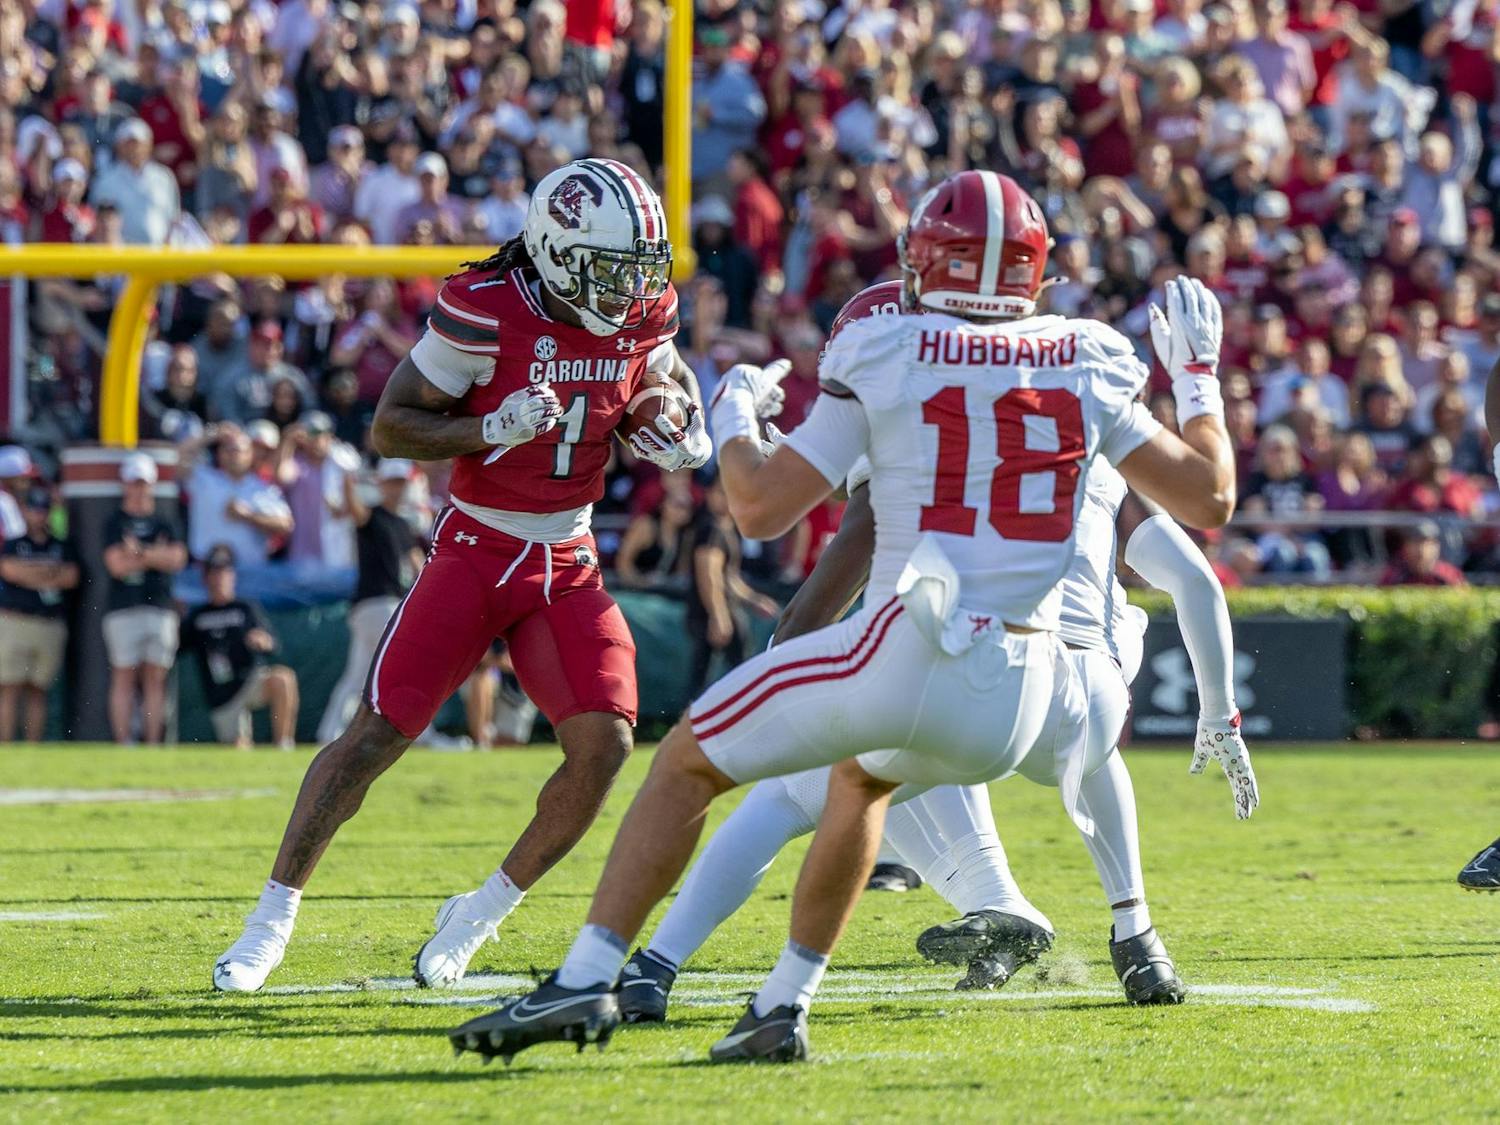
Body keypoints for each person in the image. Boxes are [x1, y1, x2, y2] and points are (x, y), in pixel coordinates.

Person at [449, 171, 1237, 1065]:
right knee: (859, 780)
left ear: (925, 261)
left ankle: (587, 976)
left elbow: (759, 507)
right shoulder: (1089, 355)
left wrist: (736, 407)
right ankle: (782, 1004)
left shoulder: (891, 346)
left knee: (687, 760)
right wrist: (1199, 379)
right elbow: (1210, 497)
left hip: (913, 649)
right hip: (1028, 686)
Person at [615, 284, 1252, 1019]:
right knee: (1081, 730)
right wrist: (1220, 715)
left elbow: (802, 593)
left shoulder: (910, 423)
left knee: (812, 783)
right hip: (1081, 693)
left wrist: (740, 428)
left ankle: (663, 966)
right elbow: (1198, 564)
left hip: (973, 679)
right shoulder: (1078, 408)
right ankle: (1134, 934)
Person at [212, 158, 711, 993]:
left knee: (606, 744)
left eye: (638, 271)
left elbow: (656, 372)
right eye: (610, 269)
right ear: (558, 253)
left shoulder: (641, 306)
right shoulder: (484, 309)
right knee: (376, 734)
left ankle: (479, 911)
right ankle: (271, 918)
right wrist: (489, 426)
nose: (629, 289)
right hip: (477, 548)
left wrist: (673, 420)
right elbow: (392, 426)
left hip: (566, 558)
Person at [316, 459, 425, 744]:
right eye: (393, 482)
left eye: (402, 483)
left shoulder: (403, 524)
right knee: (409, 667)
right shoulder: (373, 516)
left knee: (356, 677)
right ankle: (423, 734)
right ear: (380, 484)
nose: (398, 489)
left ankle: (329, 733)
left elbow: (419, 565)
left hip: (387, 605)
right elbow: (355, 511)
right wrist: (348, 480)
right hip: (377, 603)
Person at [102, 454, 188, 744]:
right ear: (125, 485)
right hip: (124, 608)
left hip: (160, 607)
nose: (139, 490)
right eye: (134, 483)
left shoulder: (165, 521)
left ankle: (153, 742)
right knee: (124, 676)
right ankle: (124, 741)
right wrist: (155, 555)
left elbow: (177, 559)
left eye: (143, 484)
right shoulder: (114, 522)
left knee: (155, 678)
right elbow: (116, 565)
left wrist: (138, 553)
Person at [181, 545, 299, 750]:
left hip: (250, 681)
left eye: (224, 572)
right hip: (222, 695)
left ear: (232, 576)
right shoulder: (198, 616)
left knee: (283, 679)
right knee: (239, 748)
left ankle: (283, 744)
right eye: (214, 573)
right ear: (205, 578)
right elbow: (176, 647)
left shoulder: (245, 608)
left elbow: (273, 644)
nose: (220, 579)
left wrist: (263, 641)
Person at [0, 486, 78, 742]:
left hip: (48, 622)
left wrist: (30, 574)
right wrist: (47, 574)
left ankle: (33, 748)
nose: (38, 515)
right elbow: (10, 570)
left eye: (43, 509)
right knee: (9, 688)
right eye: (33, 509)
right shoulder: (15, 543)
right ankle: (6, 748)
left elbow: (70, 577)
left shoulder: (61, 545)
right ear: (24, 511)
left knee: (38, 689)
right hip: (16, 619)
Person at [0, 446, 33, 539]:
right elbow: (13, 545)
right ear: (8, 478)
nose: (28, 484)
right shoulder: (4, 501)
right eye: (23, 479)